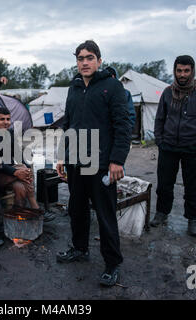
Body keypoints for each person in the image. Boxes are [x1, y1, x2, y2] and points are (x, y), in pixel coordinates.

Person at [55, 40, 132, 287]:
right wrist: (61, 156)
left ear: (99, 60)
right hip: (76, 161)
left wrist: (117, 160)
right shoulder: (74, 87)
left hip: (100, 163)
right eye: (80, 58)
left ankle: (112, 263)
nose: (84, 62)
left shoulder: (112, 87)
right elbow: (68, 124)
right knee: (76, 209)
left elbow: (123, 125)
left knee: (105, 214)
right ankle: (80, 248)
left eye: (89, 57)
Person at [151, 55, 196, 237]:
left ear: (192, 71)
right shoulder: (168, 92)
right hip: (168, 147)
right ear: (175, 71)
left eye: (186, 71)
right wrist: (160, 140)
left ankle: (193, 220)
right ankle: (162, 213)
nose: (182, 74)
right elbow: (160, 119)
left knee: (194, 186)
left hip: (192, 148)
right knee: (164, 184)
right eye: (179, 70)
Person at [0, 107, 41, 212]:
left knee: (20, 187)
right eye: (2, 119)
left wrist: (26, 168)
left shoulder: (10, 133)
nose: (6, 122)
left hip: (11, 173)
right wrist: (16, 172)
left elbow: (18, 154)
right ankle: (34, 205)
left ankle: (17, 215)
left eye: (8, 119)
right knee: (22, 170)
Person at [105, 66, 136, 133]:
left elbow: (131, 115)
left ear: (113, 77)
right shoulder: (99, 93)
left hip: (120, 134)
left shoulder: (125, 93)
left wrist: (125, 132)